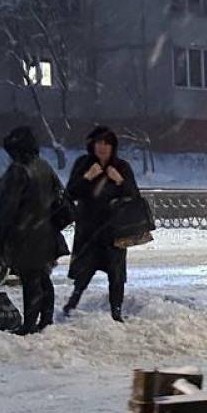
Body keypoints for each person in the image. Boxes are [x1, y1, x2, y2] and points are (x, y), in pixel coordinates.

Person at [0, 125, 68, 334]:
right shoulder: (44, 166)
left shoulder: (18, 171)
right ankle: (45, 320)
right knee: (42, 278)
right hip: (46, 231)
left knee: (30, 281)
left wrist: (2, 236)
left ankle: (29, 325)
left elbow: (8, 209)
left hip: (25, 234)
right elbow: (60, 199)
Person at [64, 125, 139, 322]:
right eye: (99, 143)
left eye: (107, 143)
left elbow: (133, 196)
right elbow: (70, 193)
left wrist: (120, 181)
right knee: (84, 269)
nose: (102, 147)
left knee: (116, 273)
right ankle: (72, 302)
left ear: (113, 146)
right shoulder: (83, 164)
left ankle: (116, 311)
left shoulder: (122, 167)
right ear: (92, 145)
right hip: (88, 228)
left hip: (114, 229)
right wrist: (88, 177)